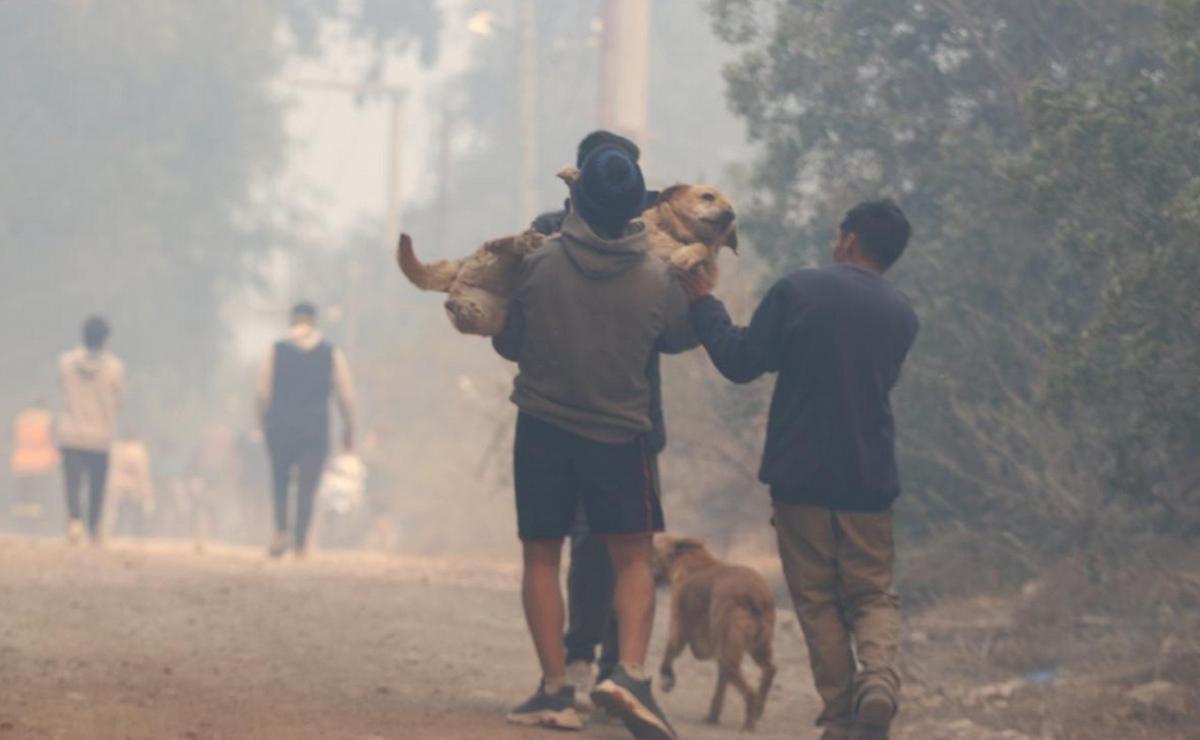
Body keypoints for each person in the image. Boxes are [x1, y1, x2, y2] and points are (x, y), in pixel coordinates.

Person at [679, 200, 918, 740]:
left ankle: (838, 719)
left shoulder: (799, 290)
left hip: (801, 476)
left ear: (851, 240)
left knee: (816, 600)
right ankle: (878, 685)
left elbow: (741, 361)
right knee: (872, 594)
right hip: (869, 477)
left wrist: (704, 304)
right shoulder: (903, 314)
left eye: (839, 235)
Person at [493, 144, 693, 739]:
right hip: (621, 436)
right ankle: (628, 675)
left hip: (543, 430)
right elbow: (681, 337)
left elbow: (509, 342)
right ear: (638, 207)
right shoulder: (658, 280)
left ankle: (556, 689)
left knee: (541, 555)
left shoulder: (539, 264)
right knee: (632, 556)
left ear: (574, 199)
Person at [527, 130, 664, 699]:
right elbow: (677, 330)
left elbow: (509, 334)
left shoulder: (541, 248)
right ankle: (602, 663)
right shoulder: (651, 252)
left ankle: (588, 667)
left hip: (552, 420)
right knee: (616, 547)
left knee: (573, 545)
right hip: (630, 420)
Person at [256, 302, 356, 558]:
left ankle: (281, 532)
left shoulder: (276, 351)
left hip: (280, 427)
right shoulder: (330, 352)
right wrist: (349, 428)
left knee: (280, 479)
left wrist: (262, 423)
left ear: (292, 321)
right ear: (314, 322)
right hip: (315, 428)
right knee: (308, 485)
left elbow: (262, 393)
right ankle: (300, 542)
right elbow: (345, 395)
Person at [57, 315, 125, 544]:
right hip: (101, 435)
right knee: (97, 485)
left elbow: (62, 391)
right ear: (105, 339)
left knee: (72, 483)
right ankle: (94, 528)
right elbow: (118, 401)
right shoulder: (115, 368)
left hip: (71, 433)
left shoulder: (65, 362)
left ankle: (75, 520)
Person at [9, 400, 60, 525]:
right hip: (43, 462)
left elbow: (12, 439)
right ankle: (37, 519)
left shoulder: (20, 418)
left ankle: (22, 519)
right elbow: (54, 439)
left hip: (21, 461)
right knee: (39, 497)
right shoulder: (48, 418)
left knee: (24, 495)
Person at [107, 432, 154, 538]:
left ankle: (118, 532)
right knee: (135, 511)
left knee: (121, 512)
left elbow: (112, 469)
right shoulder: (139, 450)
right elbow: (143, 472)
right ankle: (137, 532)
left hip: (120, 484)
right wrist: (145, 490)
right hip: (133, 485)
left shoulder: (117, 449)